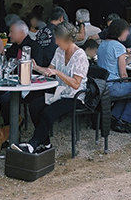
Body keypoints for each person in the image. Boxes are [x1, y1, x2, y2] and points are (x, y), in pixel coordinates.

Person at [12, 22, 89, 154]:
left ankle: (32, 145)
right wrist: (36, 68)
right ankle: (46, 143)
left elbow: (76, 84)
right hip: (59, 93)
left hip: (75, 96)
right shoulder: (59, 51)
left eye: (57, 39)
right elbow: (49, 70)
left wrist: (58, 73)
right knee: (34, 105)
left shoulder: (80, 55)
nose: (56, 42)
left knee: (48, 112)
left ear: (65, 39)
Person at [97, 19, 131, 133]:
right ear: (120, 31)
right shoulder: (119, 46)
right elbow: (123, 74)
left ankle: (114, 116)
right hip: (112, 86)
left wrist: (130, 58)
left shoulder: (102, 44)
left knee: (129, 90)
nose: (128, 33)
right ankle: (124, 121)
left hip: (101, 85)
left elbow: (113, 64)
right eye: (126, 31)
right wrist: (126, 84)